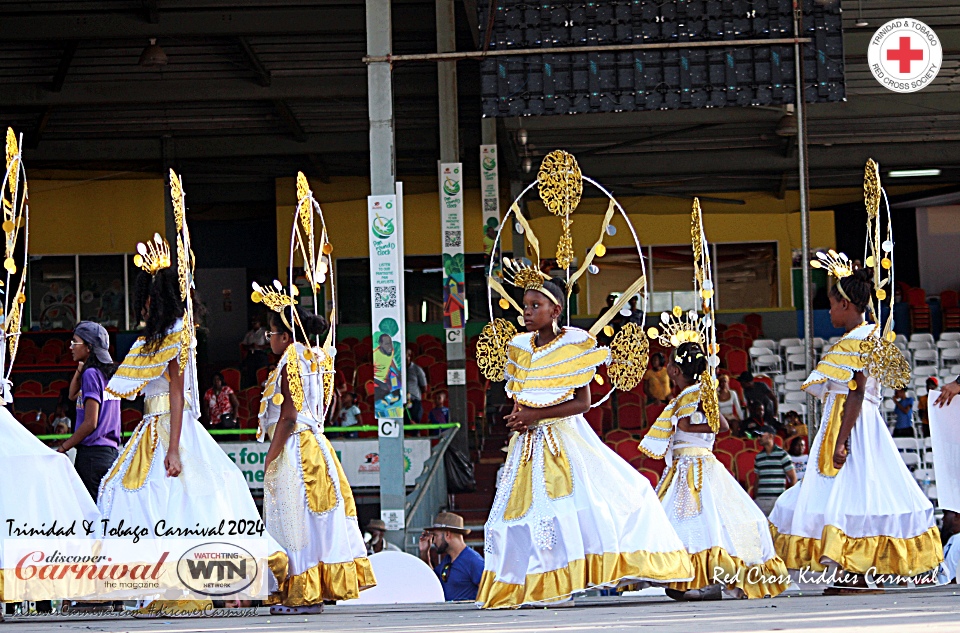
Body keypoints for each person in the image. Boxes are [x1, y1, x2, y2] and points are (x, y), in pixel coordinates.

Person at [477, 276, 692, 609]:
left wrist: (536, 415)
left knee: (585, 505)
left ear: (555, 310)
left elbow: (582, 402)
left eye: (536, 306)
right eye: (526, 305)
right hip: (527, 445)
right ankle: (536, 584)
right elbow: (522, 396)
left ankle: (565, 582)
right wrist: (520, 418)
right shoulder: (520, 347)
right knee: (525, 515)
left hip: (564, 438)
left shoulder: (574, 344)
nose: (528, 312)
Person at [100, 237, 286, 615]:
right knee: (148, 502)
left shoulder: (176, 335)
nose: (145, 304)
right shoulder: (153, 338)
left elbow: (176, 392)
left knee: (176, 503)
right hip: (154, 426)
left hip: (171, 428)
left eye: (150, 298)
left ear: (160, 299)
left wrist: (172, 448)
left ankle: (179, 585)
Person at [769, 266, 942, 591]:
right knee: (850, 496)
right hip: (849, 421)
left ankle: (855, 572)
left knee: (850, 494)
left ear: (846, 305)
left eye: (833, 304)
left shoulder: (860, 339)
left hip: (852, 423)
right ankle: (853, 571)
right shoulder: (859, 338)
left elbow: (856, 391)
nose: (830, 310)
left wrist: (842, 439)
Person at [640, 342, 789, 601]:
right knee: (705, 520)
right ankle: (699, 580)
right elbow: (723, 427)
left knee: (693, 519)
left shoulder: (689, 395)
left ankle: (702, 580)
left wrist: (688, 433)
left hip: (692, 465)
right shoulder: (700, 393)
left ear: (674, 370)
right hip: (696, 463)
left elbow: (698, 425)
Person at [258, 307, 375, 613]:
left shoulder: (291, 361)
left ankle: (303, 593)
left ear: (284, 337)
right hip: (315, 446)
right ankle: (311, 592)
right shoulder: (315, 357)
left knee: (295, 522)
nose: (269, 340)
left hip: (296, 449)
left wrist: (271, 457)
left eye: (271, 334)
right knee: (311, 522)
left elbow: (288, 417)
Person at [56, 321, 122, 502]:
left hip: (92, 456)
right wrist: (82, 364)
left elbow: (90, 422)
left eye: (75, 342)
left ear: (89, 346)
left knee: (90, 516)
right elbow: (71, 395)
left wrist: (63, 447)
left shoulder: (91, 374)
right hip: (110, 454)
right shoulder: (106, 374)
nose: (71, 347)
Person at [418, 512, 484, 602]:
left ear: (448, 535)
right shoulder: (448, 560)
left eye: (435, 536)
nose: (433, 541)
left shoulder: (473, 561)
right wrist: (424, 553)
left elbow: (488, 594)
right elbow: (433, 581)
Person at [753, 425, 797, 517]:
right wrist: (757, 497)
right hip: (761, 500)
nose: (758, 438)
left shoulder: (783, 455)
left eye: (761, 435)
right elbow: (757, 479)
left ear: (770, 436)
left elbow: (793, 478)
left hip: (777, 499)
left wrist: (788, 499)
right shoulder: (758, 457)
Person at [240, 316, 270, 387]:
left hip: (261, 354)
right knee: (251, 372)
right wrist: (250, 346)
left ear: (259, 323)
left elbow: (270, 344)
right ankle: (252, 387)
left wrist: (259, 346)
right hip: (251, 354)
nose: (254, 324)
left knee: (261, 372)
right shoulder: (249, 333)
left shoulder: (264, 332)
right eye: (252, 323)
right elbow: (244, 345)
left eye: (255, 323)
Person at [406, 348, 428, 423]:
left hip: (414, 401)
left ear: (409, 356)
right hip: (400, 402)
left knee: (414, 427)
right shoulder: (396, 370)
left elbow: (424, 388)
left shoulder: (417, 369)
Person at [939, 511, 960, 585]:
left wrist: (950, 586)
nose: (943, 519)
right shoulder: (952, 539)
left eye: (945, 514)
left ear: (957, 516)